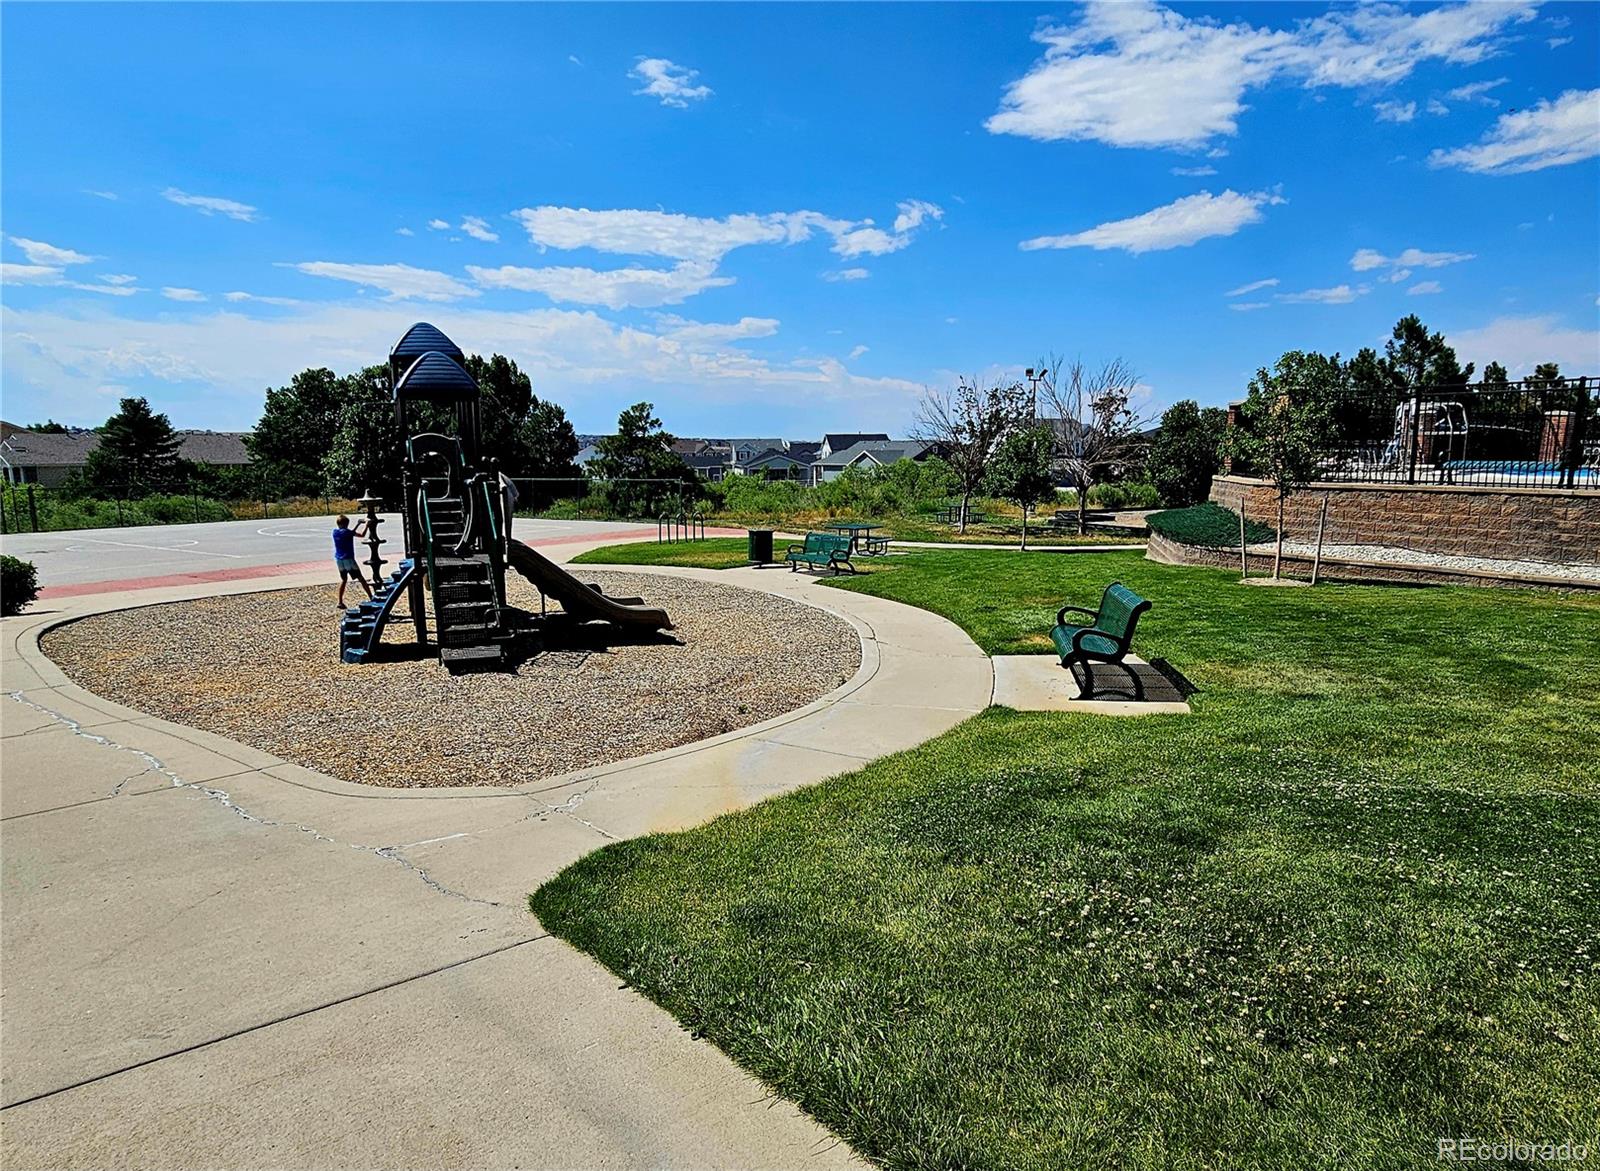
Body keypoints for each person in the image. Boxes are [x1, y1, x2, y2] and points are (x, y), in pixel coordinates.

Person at [332, 515, 372, 608]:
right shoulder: (348, 532)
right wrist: (367, 525)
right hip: (349, 559)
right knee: (361, 578)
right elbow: (361, 535)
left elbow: (350, 533)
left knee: (344, 579)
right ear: (347, 524)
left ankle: (340, 601)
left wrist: (358, 524)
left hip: (339, 560)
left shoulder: (335, 532)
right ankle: (371, 597)